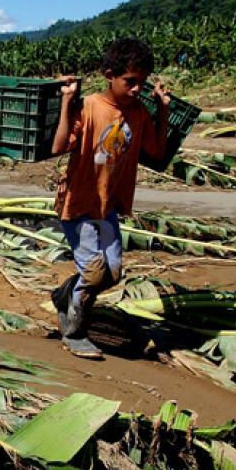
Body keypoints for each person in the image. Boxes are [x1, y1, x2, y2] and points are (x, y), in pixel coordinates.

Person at [50, 37, 170, 359]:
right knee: (93, 273)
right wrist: (66, 102)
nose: (135, 89)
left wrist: (162, 108)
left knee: (113, 272)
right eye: (130, 82)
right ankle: (74, 333)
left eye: (141, 83)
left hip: (108, 206)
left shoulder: (139, 112)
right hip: (79, 202)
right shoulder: (89, 107)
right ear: (109, 75)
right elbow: (59, 147)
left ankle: (66, 295)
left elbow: (157, 151)